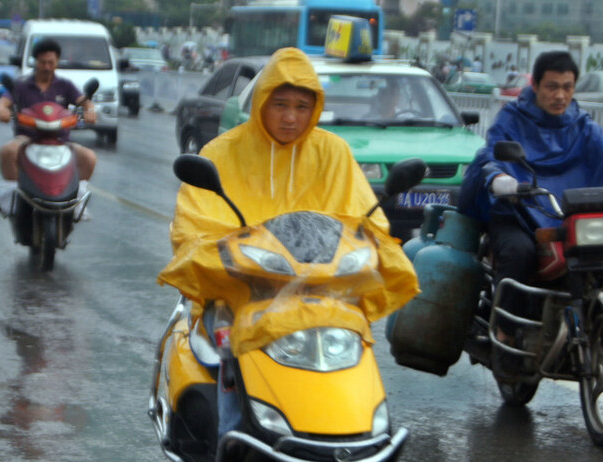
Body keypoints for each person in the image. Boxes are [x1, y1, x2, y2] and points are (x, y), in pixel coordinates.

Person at [160, 47, 417, 433]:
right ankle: (229, 445)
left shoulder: (334, 154)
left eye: (301, 105)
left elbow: (368, 223)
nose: (291, 117)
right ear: (261, 101)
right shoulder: (221, 154)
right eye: (280, 104)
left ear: (315, 107)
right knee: (229, 356)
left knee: (357, 344)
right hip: (242, 293)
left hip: (324, 294)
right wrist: (229, 256)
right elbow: (195, 229)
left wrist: (373, 252)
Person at [457, 50, 603, 345]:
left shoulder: (581, 124)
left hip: (569, 219)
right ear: (536, 86)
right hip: (519, 212)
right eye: (552, 87)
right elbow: (494, 154)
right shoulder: (512, 119)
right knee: (520, 253)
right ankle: (504, 333)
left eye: (567, 87)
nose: (560, 95)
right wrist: (501, 179)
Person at [0, 38, 97, 182]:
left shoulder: (65, 85)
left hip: (61, 140)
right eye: (43, 62)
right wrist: (2, 111)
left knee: (89, 157)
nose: (47, 67)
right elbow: (2, 102)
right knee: (7, 152)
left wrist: (90, 111)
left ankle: (74, 195)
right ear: (35, 62)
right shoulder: (21, 85)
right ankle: (14, 191)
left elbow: (85, 103)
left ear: (57, 62)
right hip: (27, 139)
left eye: (51, 62)